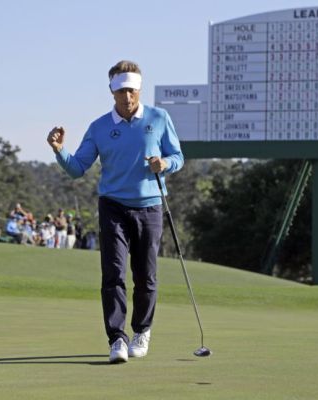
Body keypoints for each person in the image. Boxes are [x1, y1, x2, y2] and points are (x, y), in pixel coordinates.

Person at [46, 60, 184, 364]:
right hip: (112, 207)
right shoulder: (99, 127)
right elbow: (77, 168)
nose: (128, 97)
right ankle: (117, 339)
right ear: (112, 91)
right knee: (113, 274)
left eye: (132, 90)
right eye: (122, 91)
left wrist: (165, 164)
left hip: (150, 206)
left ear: (139, 89)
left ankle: (141, 331)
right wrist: (59, 150)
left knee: (146, 275)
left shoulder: (159, 118)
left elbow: (177, 156)